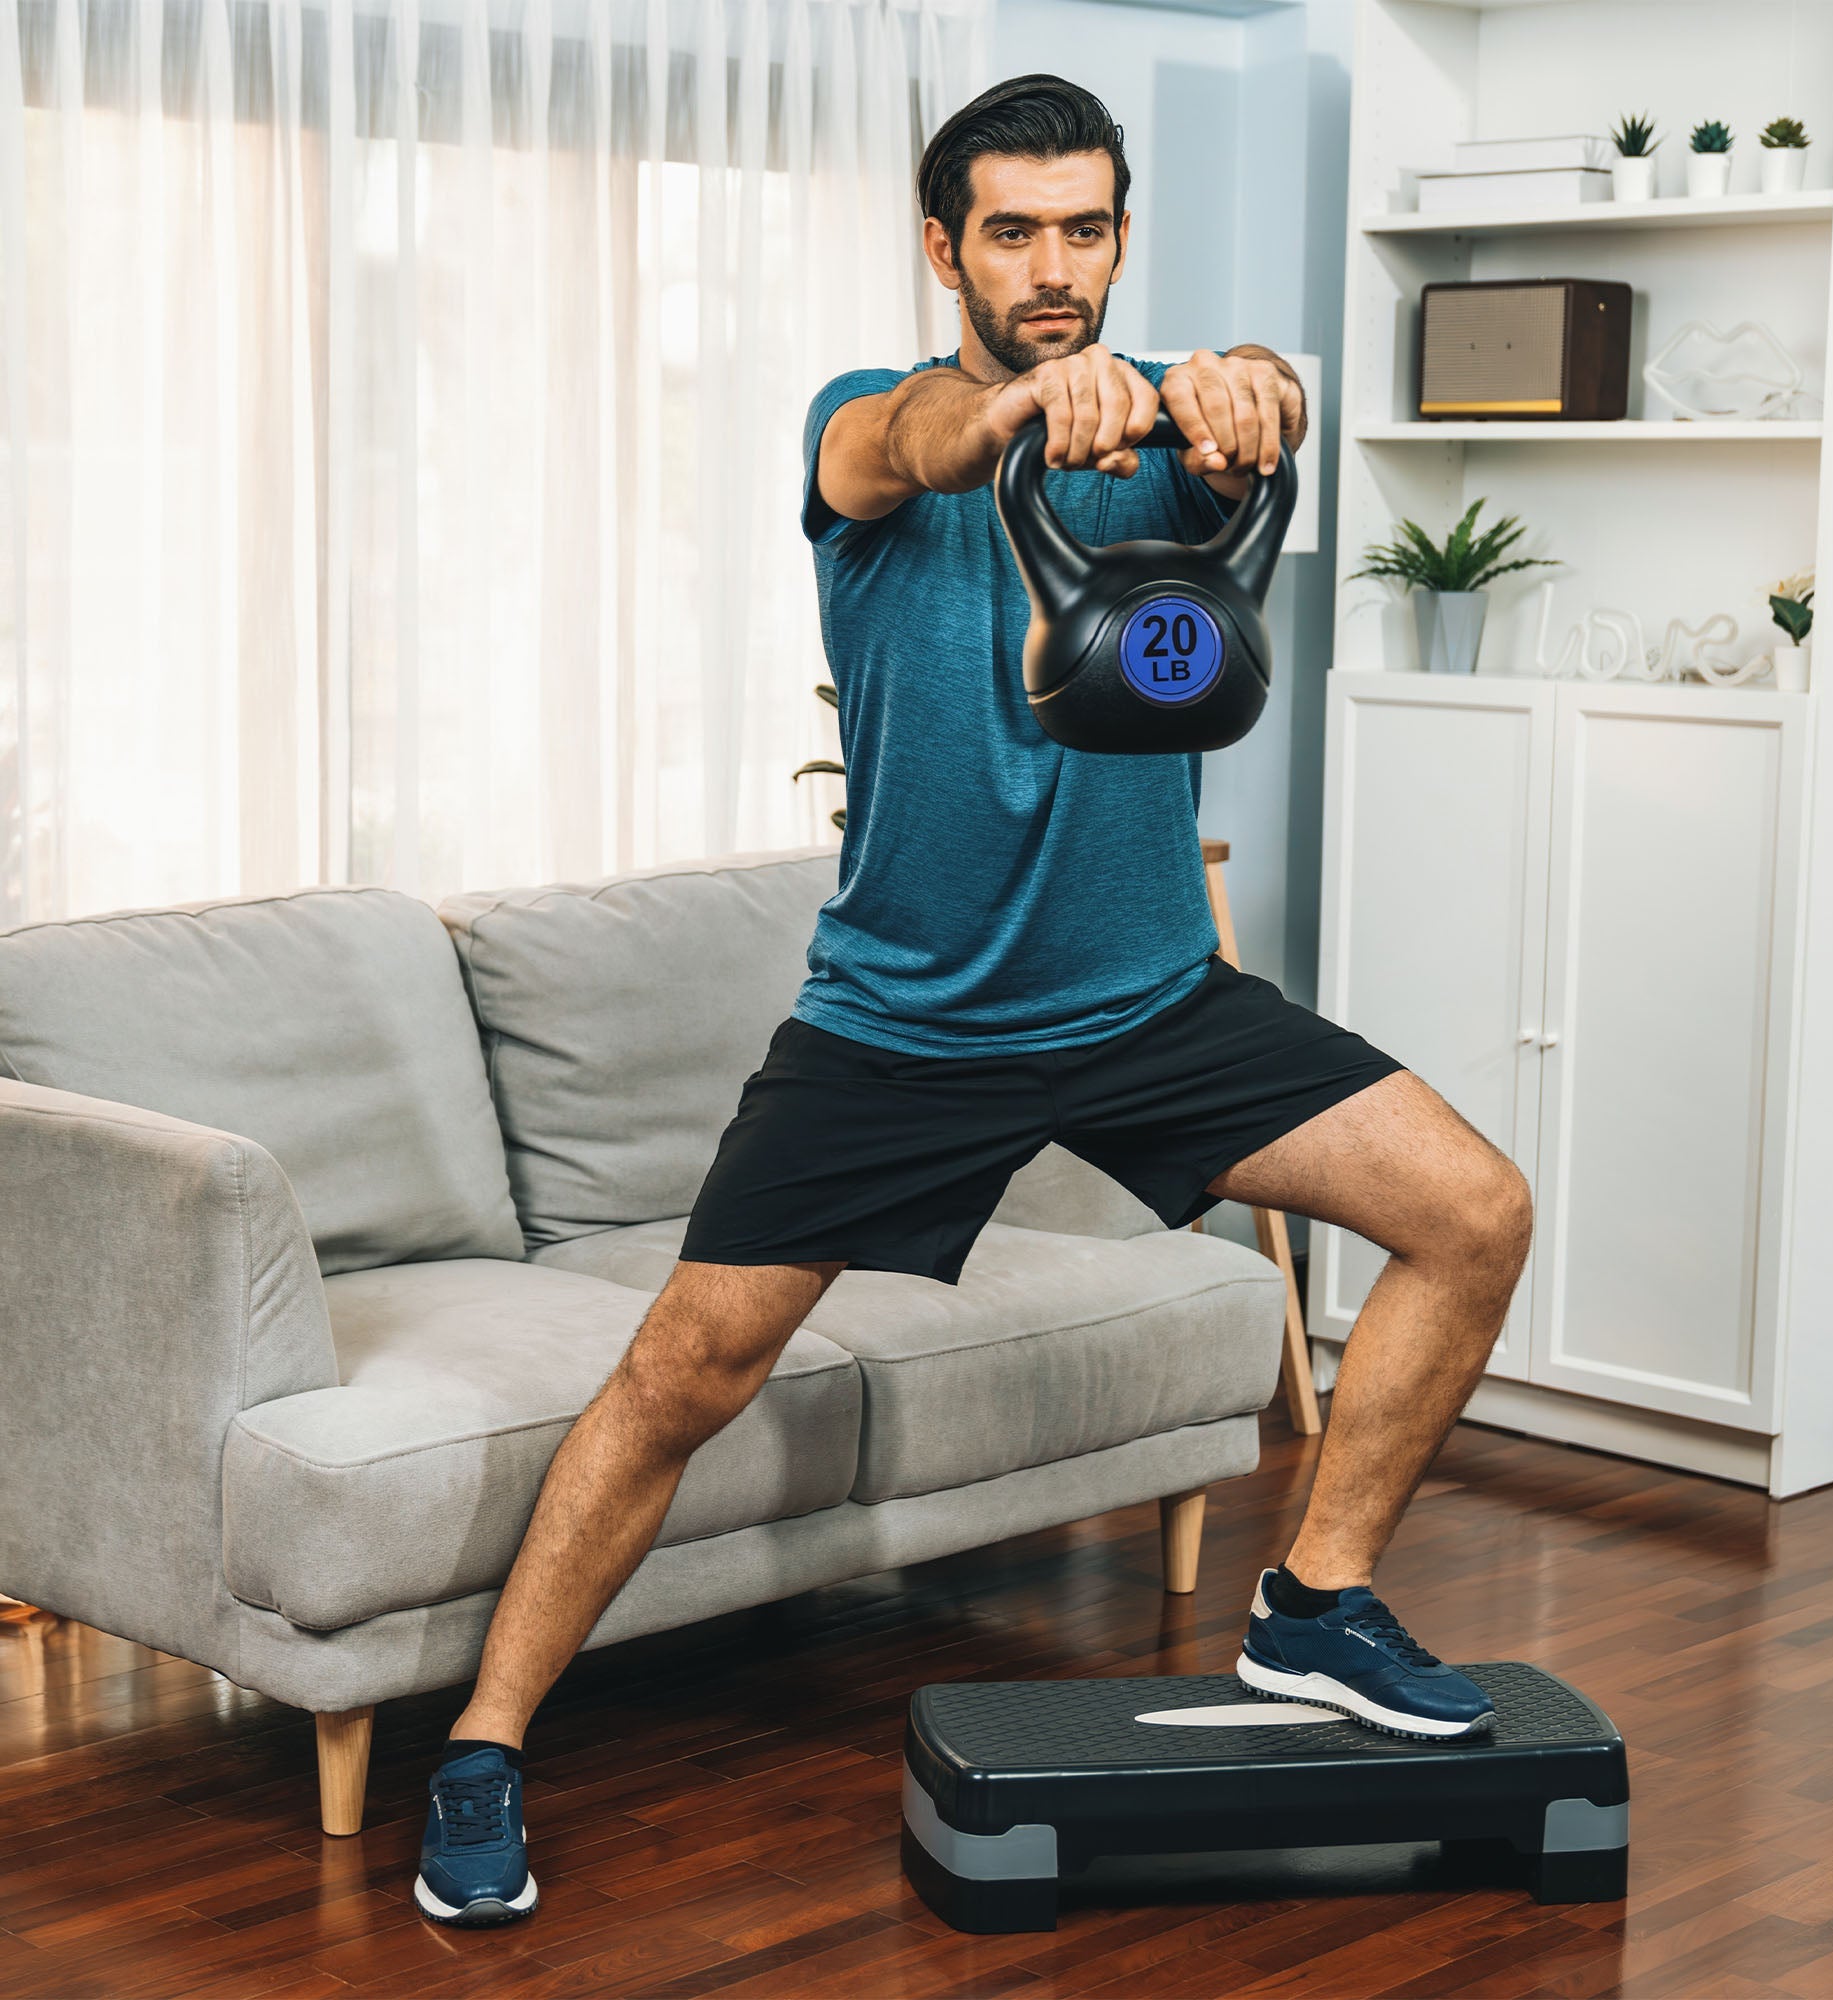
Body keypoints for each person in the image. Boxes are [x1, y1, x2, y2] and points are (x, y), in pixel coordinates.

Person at [414, 71, 1533, 1929]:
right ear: (946, 248)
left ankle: (1315, 1606)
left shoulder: (1157, 430)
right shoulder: (864, 425)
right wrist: (1011, 409)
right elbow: (912, 441)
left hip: (1152, 1005)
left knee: (1473, 1210)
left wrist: (1253, 385)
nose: (1053, 267)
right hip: (903, 1029)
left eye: (1085, 229)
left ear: (1120, 235)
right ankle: (483, 1744)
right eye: (1013, 232)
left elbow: (1254, 417)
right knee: (682, 1376)